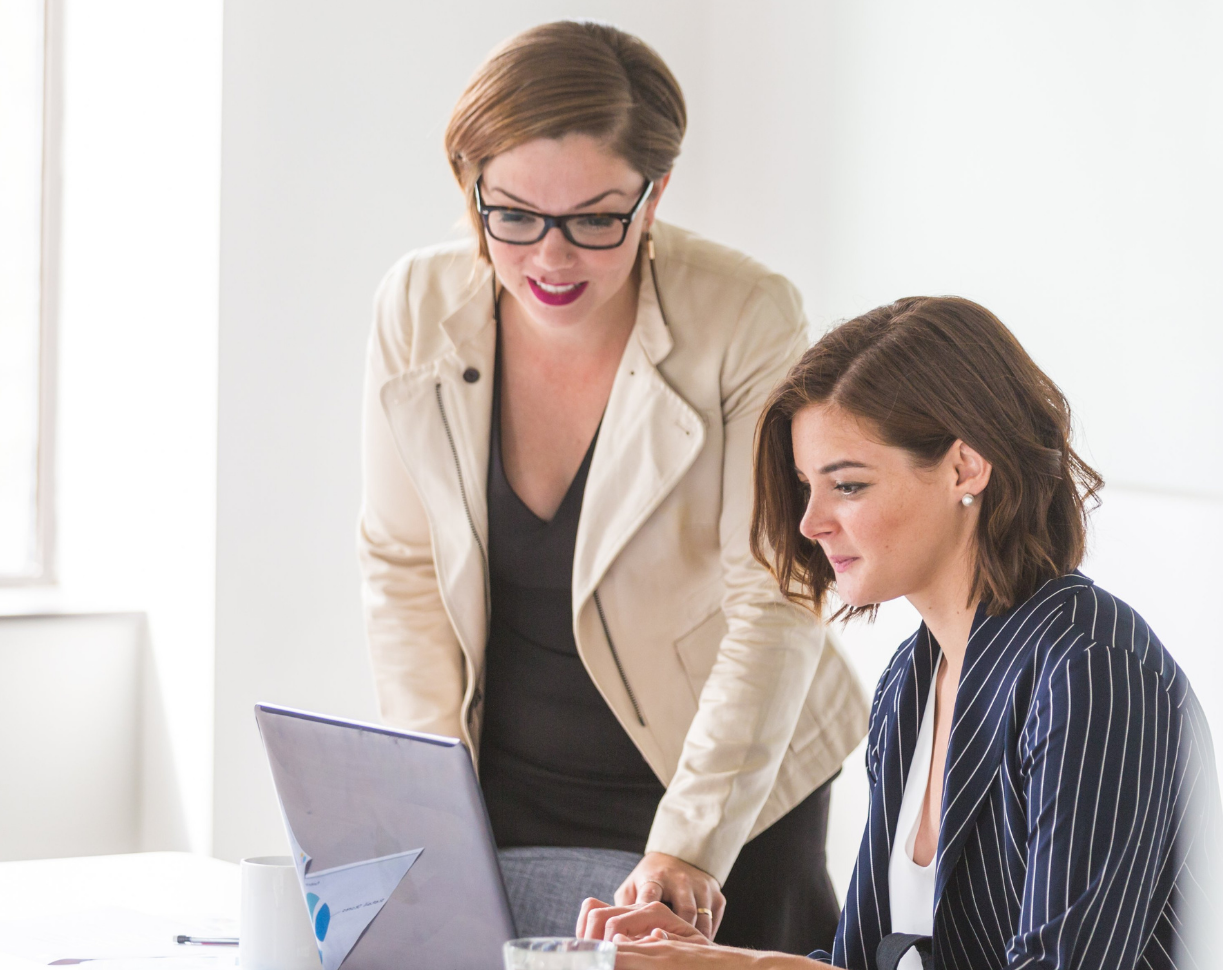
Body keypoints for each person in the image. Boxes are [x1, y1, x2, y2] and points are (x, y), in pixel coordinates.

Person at [356, 21, 867, 952]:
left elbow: (776, 592)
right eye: (510, 215)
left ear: (655, 192)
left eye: (596, 219)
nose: (550, 259)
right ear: (470, 187)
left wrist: (688, 850)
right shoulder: (415, 307)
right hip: (507, 787)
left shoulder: (746, 315)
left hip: (726, 790)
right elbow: (401, 564)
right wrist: (431, 803)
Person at [576, 296, 1223, 969]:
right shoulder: (911, 680)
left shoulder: (1092, 669)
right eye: (807, 486)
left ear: (965, 468)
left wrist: (737, 968)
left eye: (849, 486)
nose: (811, 522)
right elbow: (865, 962)